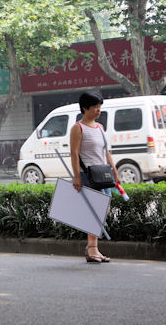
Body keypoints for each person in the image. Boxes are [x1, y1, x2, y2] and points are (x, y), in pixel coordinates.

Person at [70, 91, 121, 263]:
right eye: (95, 107)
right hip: (88, 176)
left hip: (103, 174)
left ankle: (93, 248)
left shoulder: (100, 127)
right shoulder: (78, 128)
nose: (98, 110)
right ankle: (92, 249)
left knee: (103, 210)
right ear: (85, 108)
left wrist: (115, 171)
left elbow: (105, 151)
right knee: (95, 211)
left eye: (99, 106)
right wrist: (77, 177)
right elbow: (74, 154)